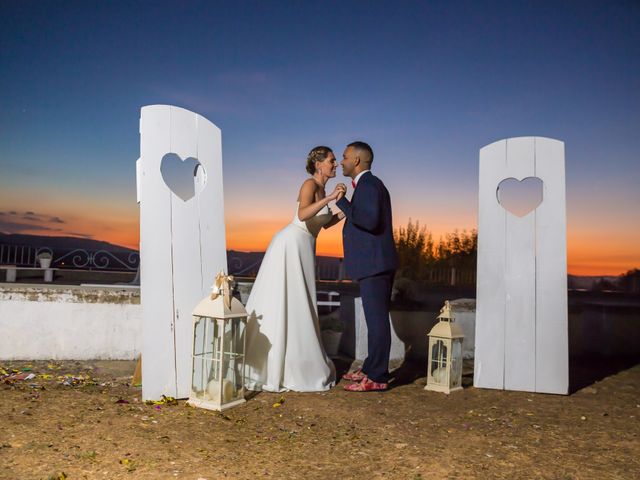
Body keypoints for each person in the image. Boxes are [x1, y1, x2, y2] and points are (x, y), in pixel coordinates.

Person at [244, 146, 347, 392]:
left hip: (306, 245)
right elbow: (302, 215)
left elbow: (324, 222)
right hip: (290, 243)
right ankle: (273, 363)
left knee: (301, 301)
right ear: (319, 164)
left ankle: (295, 358)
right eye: (332, 161)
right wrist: (330, 198)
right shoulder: (309, 184)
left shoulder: (323, 190)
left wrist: (344, 207)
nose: (336, 165)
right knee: (285, 299)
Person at [336, 141, 399, 392]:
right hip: (374, 263)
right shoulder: (367, 185)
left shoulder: (369, 185)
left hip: (375, 263)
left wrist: (343, 203)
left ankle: (378, 377)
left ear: (357, 161)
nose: (341, 161)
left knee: (377, 320)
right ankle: (371, 366)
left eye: (344, 157)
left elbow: (369, 221)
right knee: (374, 320)